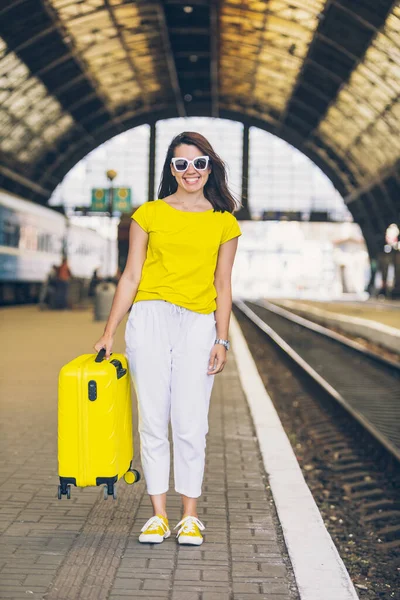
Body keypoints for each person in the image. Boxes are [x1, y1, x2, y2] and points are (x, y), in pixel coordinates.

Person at [94, 131, 242, 546]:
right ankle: (158, 515)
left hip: (198, 323)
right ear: (171, 169)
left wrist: (222, 338)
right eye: (181, 164)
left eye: (198, 163)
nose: (190, 171)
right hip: (149, 319)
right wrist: (109, 332)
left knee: (191, 422)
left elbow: (223, 286)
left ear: (209, 167)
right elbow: (131, 276)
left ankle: (190, 516)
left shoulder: (223, 222)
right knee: (153, 419)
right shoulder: (149, 214)